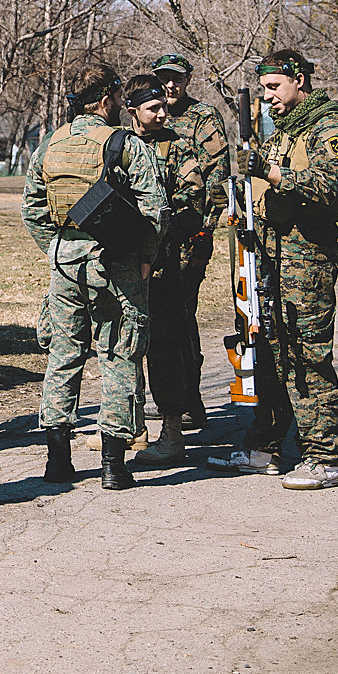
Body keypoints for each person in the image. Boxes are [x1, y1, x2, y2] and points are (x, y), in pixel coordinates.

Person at [208, 49, 338, 490]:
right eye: (264, 89)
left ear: (299, 81)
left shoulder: (330, 127)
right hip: (267, 258)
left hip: (305, 260)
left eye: (274, 88)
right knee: (268, 355)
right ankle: (264, 447)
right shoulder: (283, 130)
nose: (267, 98)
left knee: (309, 357)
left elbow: (329, 188)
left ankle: (323, 457)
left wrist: (272, 173)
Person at [22, 64, 167, 490]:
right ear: (107, 100)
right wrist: (145, 260)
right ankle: (113, 467)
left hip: (66, 265)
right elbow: (155, 209)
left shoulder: (50, 143)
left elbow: (32, 207)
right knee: (118, 356)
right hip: (116, 265)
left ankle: (57, 462)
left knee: (63, 356)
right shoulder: (124, 143)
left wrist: (58, 247)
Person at [123, 73, 201, 469]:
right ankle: (130, 427)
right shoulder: (117, 144)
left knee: (166, 347)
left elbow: (194, 199)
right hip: (121, 264)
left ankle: (172, 431)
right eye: (153, 107)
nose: (162, 112)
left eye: (164, 105)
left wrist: (161, 227)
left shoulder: (177, 147)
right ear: (132, 109)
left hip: (162, 266)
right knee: (123, 348)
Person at [151, 52, 230, 433]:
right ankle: (175, 396)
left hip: (189, 233)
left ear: (188, 79)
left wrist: (206, 228)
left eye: (177, 79)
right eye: (164, 78)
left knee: (180, 313)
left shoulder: (203, 117)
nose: (170, 86)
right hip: (155, 238)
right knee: (161, 315)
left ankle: (189, 398)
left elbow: (218, 177)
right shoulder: (147, 113)